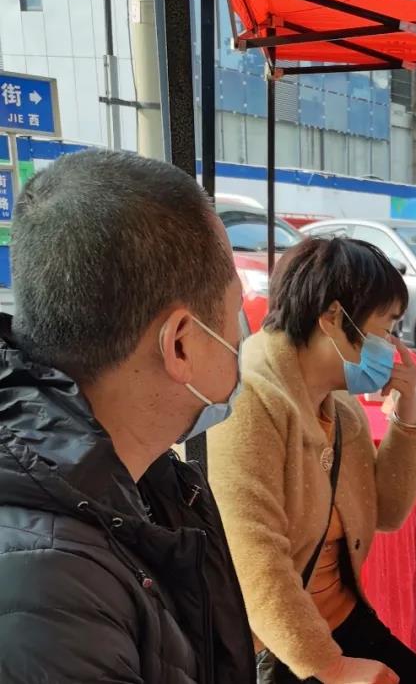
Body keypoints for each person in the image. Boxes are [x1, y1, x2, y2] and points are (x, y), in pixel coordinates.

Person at [0, 150, 255, 681]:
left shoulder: (147, 478)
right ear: (180, 344)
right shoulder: (50, 593)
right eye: (235, 311)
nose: (242, 336)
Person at [207, 237, 416, 684]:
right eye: (386, 328)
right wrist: (332, 668)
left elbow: (387, 512)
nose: (392, 346)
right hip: (278, 647)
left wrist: (409, 407)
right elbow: (253, 559)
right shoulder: (249, 400)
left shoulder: (340, 406)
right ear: (334, 318)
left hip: (340, 621)